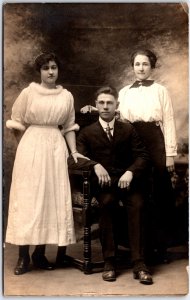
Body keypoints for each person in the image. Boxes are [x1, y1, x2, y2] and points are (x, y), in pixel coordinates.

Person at [80, 49, 177, 264]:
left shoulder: (161, 90)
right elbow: (113, 115)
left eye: (145, 64)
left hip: (153, 140)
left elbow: (168, 120)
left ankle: (157, 248)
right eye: (137, 64)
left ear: (151, 67)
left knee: (155, 193)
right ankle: (132, 246)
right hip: (130, 140)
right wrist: (92, 110)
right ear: (132, 66)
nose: (141, 68)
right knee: (135, 191)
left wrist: (170, 154)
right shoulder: (123, 92)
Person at [5, 52, 88, 275]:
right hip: (31, 147)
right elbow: (16, 122)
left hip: (55, 148)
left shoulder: (66, 96)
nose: (51, 72)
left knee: (50, 199)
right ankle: (23, 256)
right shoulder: (28, 93)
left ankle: (39, 254)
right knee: (29, 200)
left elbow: (69, 126)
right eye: (46, 68)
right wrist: (26, 148)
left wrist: (74, 152)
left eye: (54, 67)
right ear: (39, 71)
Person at [68, 86, 153, 284]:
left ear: (117, 105)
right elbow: (75, 159)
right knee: (107, 204)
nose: (105, 107)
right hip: (104, 186)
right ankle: (109, 261)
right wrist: (95, 164)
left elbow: (142, 155)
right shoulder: (87, 133)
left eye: (110, 103)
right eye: (102, 103)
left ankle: (139, 263)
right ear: (96, 105)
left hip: (127, 183)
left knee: (138, 205)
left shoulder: (128, 129)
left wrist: (131, 172)